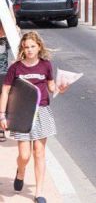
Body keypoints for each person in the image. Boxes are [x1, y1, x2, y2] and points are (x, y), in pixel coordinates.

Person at [1, 32, 71, 202]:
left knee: (39, 153)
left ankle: (39, 192)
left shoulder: (46, 65)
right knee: (24, 156)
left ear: (39, 46)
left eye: (33, 46)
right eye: (27, 47)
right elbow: (5, 91)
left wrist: (61, 89)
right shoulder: (15, 68)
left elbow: (51, 87)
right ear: (23, 49)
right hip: (22, 113)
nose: (30, 50)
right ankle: (21, 171)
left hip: (42, 111)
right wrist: (2, 115)